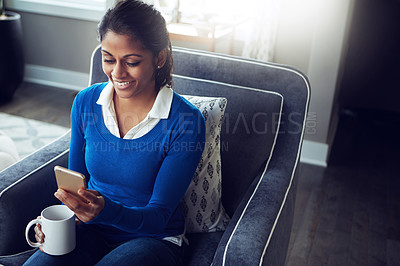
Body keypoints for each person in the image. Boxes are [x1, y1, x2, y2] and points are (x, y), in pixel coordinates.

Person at [23, 0, 205, 265]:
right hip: (89, 230)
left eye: (131, 62)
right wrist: (61, 219)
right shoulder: (86, 102)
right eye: (108, 59)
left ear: (160, 58)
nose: (117, 73)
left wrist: (105, 211)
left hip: (152, 238)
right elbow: (75, 183)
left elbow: (158, 216)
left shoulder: (186, 121)